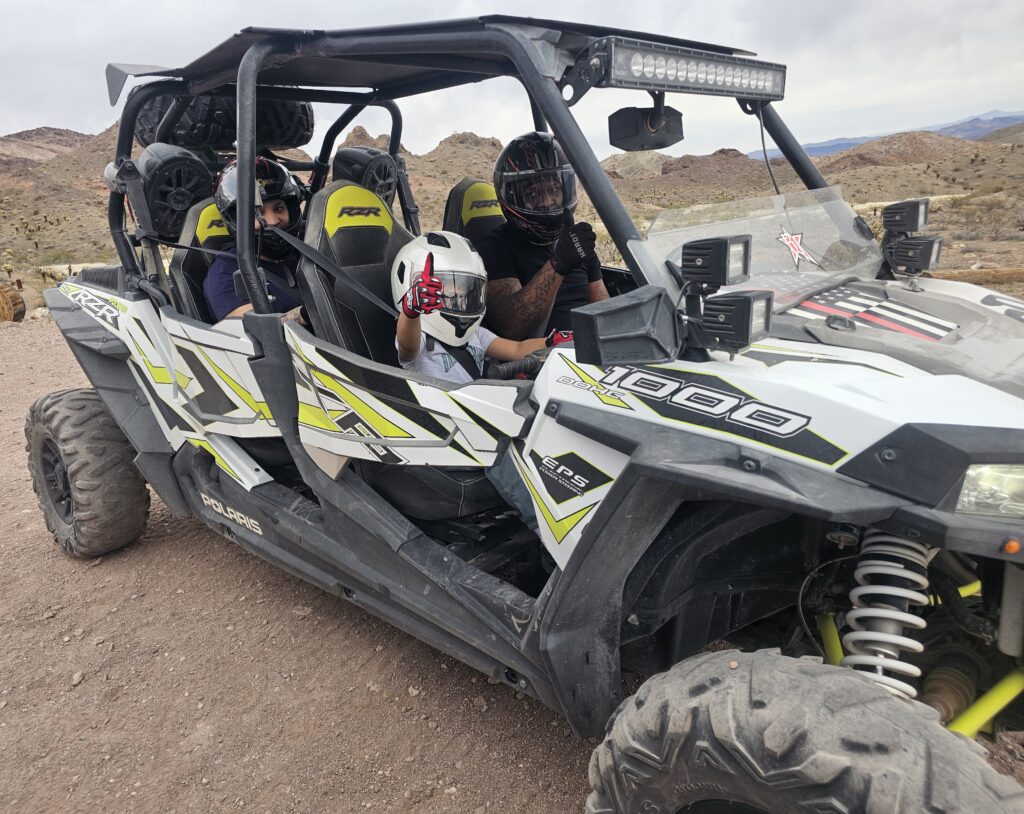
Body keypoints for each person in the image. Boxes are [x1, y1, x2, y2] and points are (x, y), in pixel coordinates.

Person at [474, 132, 608, 340]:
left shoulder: (574, 241)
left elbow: (604, 314)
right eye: (533, 194)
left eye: (554, 190)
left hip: (588, 352)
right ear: (510, 196)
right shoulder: (493, 248)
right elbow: (513, 326)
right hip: (537, 363)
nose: (546, 202)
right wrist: (559, 263)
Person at [392, 231, 572, 384]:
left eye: (465, 294)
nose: (459, 301)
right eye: (447, 293)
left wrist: (552, 341)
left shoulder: (474, 334)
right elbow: (408, 348)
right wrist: (411, 311)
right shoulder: (420, 335)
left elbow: (516, 349)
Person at [203, 157, 305, 323]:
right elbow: (257, 329)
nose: (272, 221)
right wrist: (308, 315)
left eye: (278, 208)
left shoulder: (303, 254)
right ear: (237, 219)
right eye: (257, 213)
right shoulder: (225, 273)